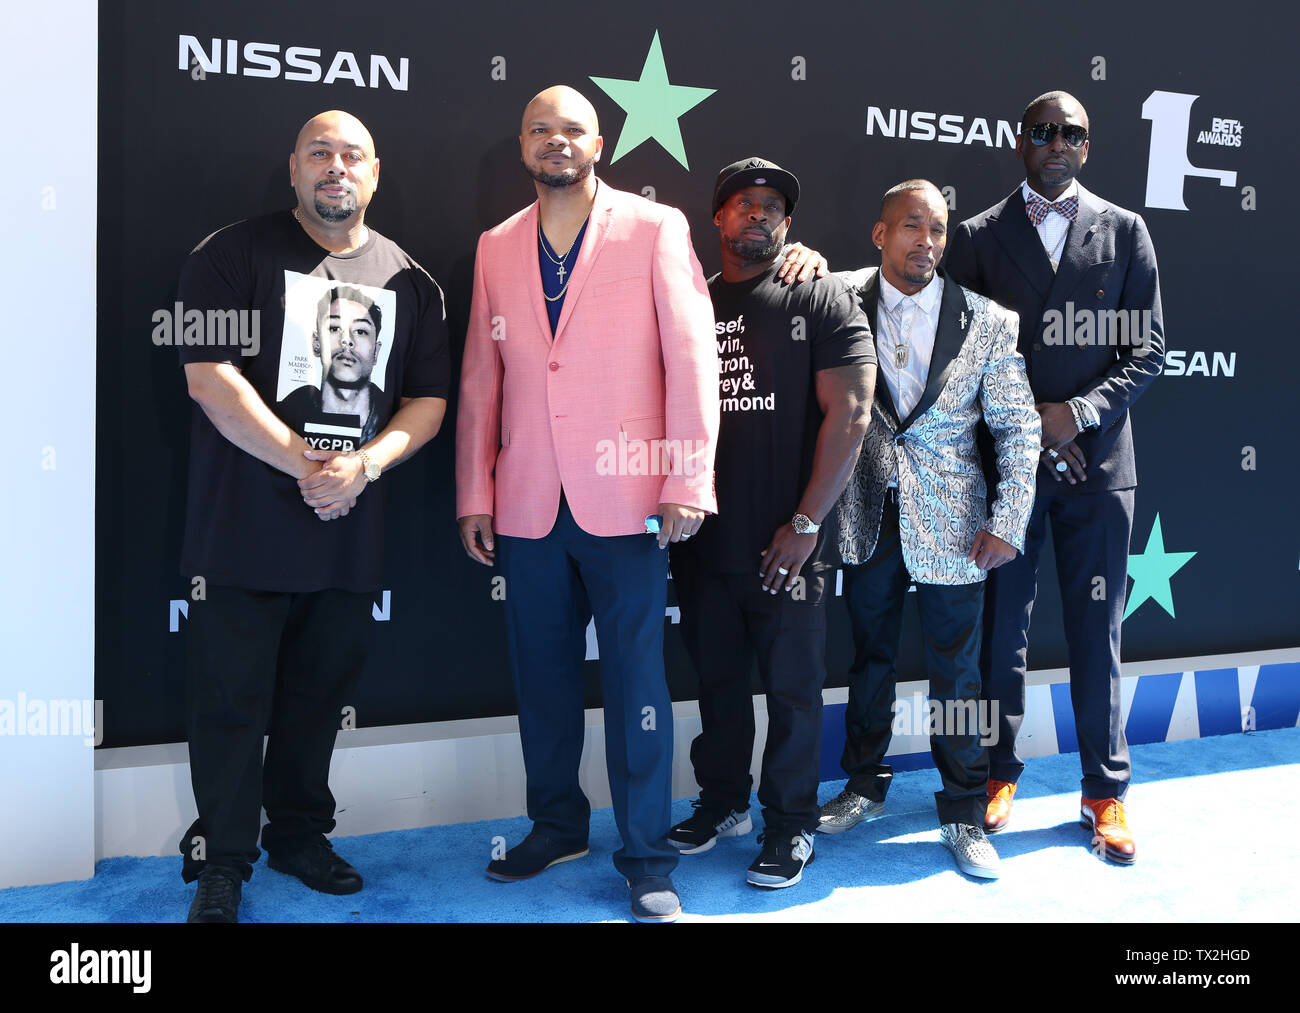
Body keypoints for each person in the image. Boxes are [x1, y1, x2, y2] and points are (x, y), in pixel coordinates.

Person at [176, 110, 450, 922]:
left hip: (347, 532)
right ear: (293, 166)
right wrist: (307, 465)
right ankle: (224, 860)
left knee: (316, 697)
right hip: (240, 532)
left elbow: (428, 401)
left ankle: (298, 835)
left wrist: (363, 465)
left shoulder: (412, 279)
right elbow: (209, 379)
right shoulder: (228, 254)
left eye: (352, 154)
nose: (336, 166)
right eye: (320, 152)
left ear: (374, 171)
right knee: (229, 703)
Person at [455, 86, 719, 923]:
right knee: (542, 676)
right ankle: (558, 823)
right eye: (541, 130)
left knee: (639, 680)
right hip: (528, 498)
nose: (555, 141)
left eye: (571, 129)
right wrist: (474, 489)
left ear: (599, 142)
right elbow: (479, 378)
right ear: (523, 145)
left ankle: (646, 855)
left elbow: (693, 360)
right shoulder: (495, 246)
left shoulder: (655, 228)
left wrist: (686, 477)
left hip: (631, 495)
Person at [945, 90, 1164, 863]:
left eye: (1072, 132)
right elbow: (961, 357)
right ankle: (1000, 772)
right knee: (1002, 631)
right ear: (1020, 142)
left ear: (1088, 145)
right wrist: (1030, 430)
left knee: (1096, 633)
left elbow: (1147, 350)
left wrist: (1079, 412)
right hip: (1008, 472)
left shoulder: (1126, 231)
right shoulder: (974, 237)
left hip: (1098, 470)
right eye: (1044, 131)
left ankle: (1105, 793)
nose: (1058, 142)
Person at [816, 180, 1040, 879]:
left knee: (958, 674)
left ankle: (966, 808)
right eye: (912, 227)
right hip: (866, 511)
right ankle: (863, 785)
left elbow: (1018, 425)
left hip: (955, 521)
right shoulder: (836, 296)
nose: (928, 242)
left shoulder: (988, 320)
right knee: (869, 657)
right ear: (880, 234)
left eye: (938, 230)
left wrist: (1009, 517)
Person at [667, 158, 876, 889]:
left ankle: (789, 824)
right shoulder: (688, 298)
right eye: (743, 203)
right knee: (717, 683)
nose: (758, 214)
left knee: (792, 690)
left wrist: (806, 519)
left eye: (773, 207)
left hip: (791, 539)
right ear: (717, 218)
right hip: (703, 540)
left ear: (787, 225)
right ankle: (723, 802)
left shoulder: (819, 295)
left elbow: (850, 413)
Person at [281, 285, 386, 445]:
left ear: (376, 352)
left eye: (361, 331)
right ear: (316, 343)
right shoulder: (285, 410)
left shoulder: (395, 418)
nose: (347, 340)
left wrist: (364, 464)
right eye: (335, 328)